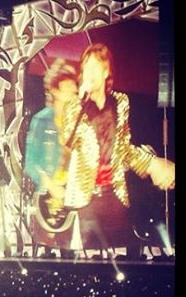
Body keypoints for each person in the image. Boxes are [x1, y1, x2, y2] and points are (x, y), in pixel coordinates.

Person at [60, 43, 175, 256]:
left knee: (123, 254)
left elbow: (124, 149)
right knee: (89, 258)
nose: (89, 72)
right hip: (86, 197)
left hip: (114, 192)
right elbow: (69, 139)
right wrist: (81, 102)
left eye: (94, 67)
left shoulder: (121, 102)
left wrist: (153, 165)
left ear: (106, 72)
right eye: (86, 67)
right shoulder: (74, 106)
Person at [24, 58, 78, 258]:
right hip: (47, 196)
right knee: (46, 252)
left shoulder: (79, 122)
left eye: (74, 90)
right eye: (67, 89)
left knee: (70, 253)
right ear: (54, 90)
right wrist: (49, 184)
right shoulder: (41, 120)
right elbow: (30, 162)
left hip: (72, 195)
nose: (72, 94)